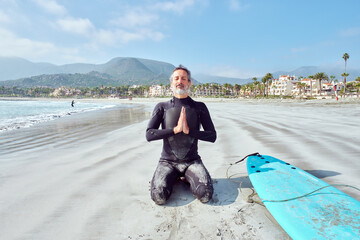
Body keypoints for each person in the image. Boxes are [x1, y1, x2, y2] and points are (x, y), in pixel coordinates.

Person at [146, 65, 217, 205]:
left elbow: (212, 136)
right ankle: (174, 178)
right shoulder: (162, 107)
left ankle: (184, 177)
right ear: (171, 84)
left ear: (189, 82)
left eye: (184, 78)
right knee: (159, 197)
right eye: (176, 78)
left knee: (205, 195)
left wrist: (189, 131)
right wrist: (175, 130)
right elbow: (149, 134)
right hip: (167, 162)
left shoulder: (199, 107)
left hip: (192, 161)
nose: (180, 81)